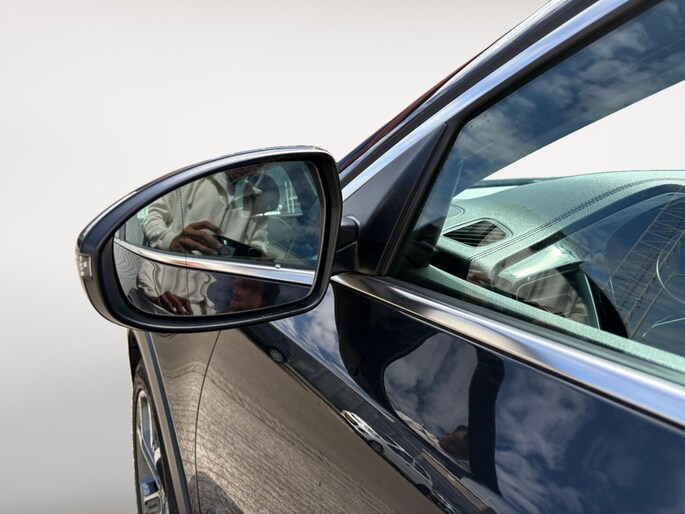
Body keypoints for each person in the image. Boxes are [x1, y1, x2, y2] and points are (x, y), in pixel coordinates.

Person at [136, 165, 280, 315]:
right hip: (162, 293)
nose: (248, 166)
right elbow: (153, 216)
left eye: (258, 162)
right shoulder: (187, 177)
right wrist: (171, 241)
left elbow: (259, 249)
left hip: (213, 307)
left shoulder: (255, 203)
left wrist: (260, 259)